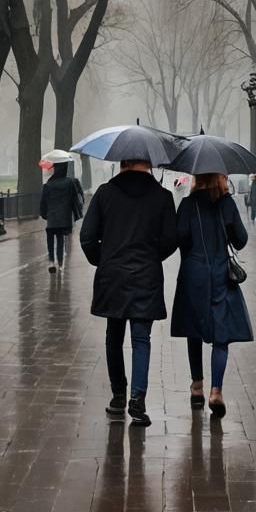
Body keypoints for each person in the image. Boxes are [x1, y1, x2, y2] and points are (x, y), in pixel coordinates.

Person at [80, 158, 177, 426]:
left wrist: (105, 259)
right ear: (148, 164)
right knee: (141, 337)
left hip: (113, 274)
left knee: (114, 334)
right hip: (146, 275)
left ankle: (118, 395)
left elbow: (87, 237)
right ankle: (138, 397)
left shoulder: (105, 194)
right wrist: (150, 258)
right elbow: (171, 239)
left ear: (122, 162)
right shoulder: (162, 196)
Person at [171, 173, 253, 419]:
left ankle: (197, 386)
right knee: (221, 333)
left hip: (193, 273)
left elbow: (179, 238)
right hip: (220, 273)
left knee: (193, 329)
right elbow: (241, 240)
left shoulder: (188, 204)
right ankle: (216, 390)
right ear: (220, 178)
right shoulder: (226, 203)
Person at [39, 162, 84, 274]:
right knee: (60, 239)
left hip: (52, 217)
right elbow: (75, 199)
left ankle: (51, 261)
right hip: (64, 218)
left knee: (50, 239)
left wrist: (44, 214)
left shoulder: (49, 184)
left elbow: (43, 202)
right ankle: (60, 263)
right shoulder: (69, 183)